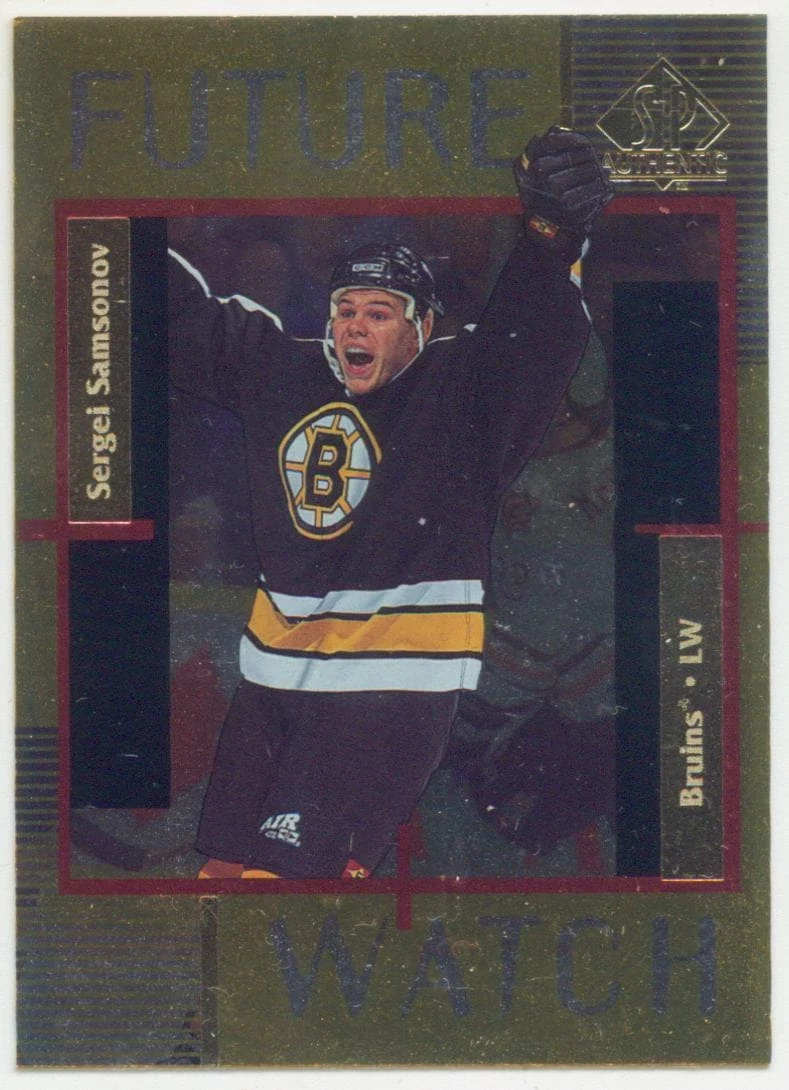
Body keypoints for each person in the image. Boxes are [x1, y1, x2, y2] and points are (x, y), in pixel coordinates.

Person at [167, 128, 613, 879]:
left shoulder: (462, 393)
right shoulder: (285, 371)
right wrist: (105, 229)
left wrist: (552, 233)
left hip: (386, 691)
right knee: (221, 879)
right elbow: (180, 318)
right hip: (274, 682)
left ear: (422, 326)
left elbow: (533, 333)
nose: (355, 324)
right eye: (345, 307)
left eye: (379, 311)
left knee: (290, 889)